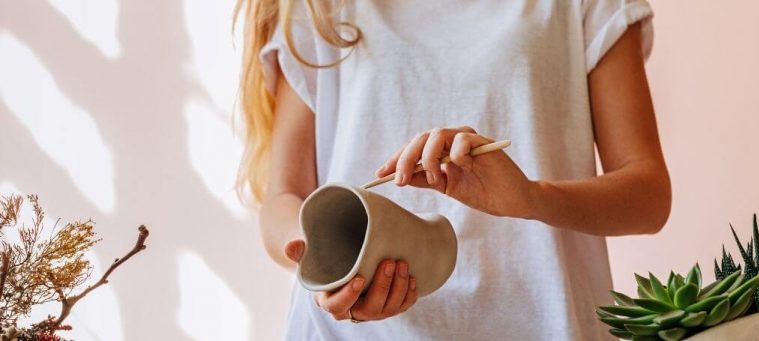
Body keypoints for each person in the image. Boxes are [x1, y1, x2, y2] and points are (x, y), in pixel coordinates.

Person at [236, 0, 670, 339]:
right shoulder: (318, 10)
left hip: (544, 326)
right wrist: (327, 265)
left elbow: (649, 196)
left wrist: (533, 197)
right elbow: (283, 198)